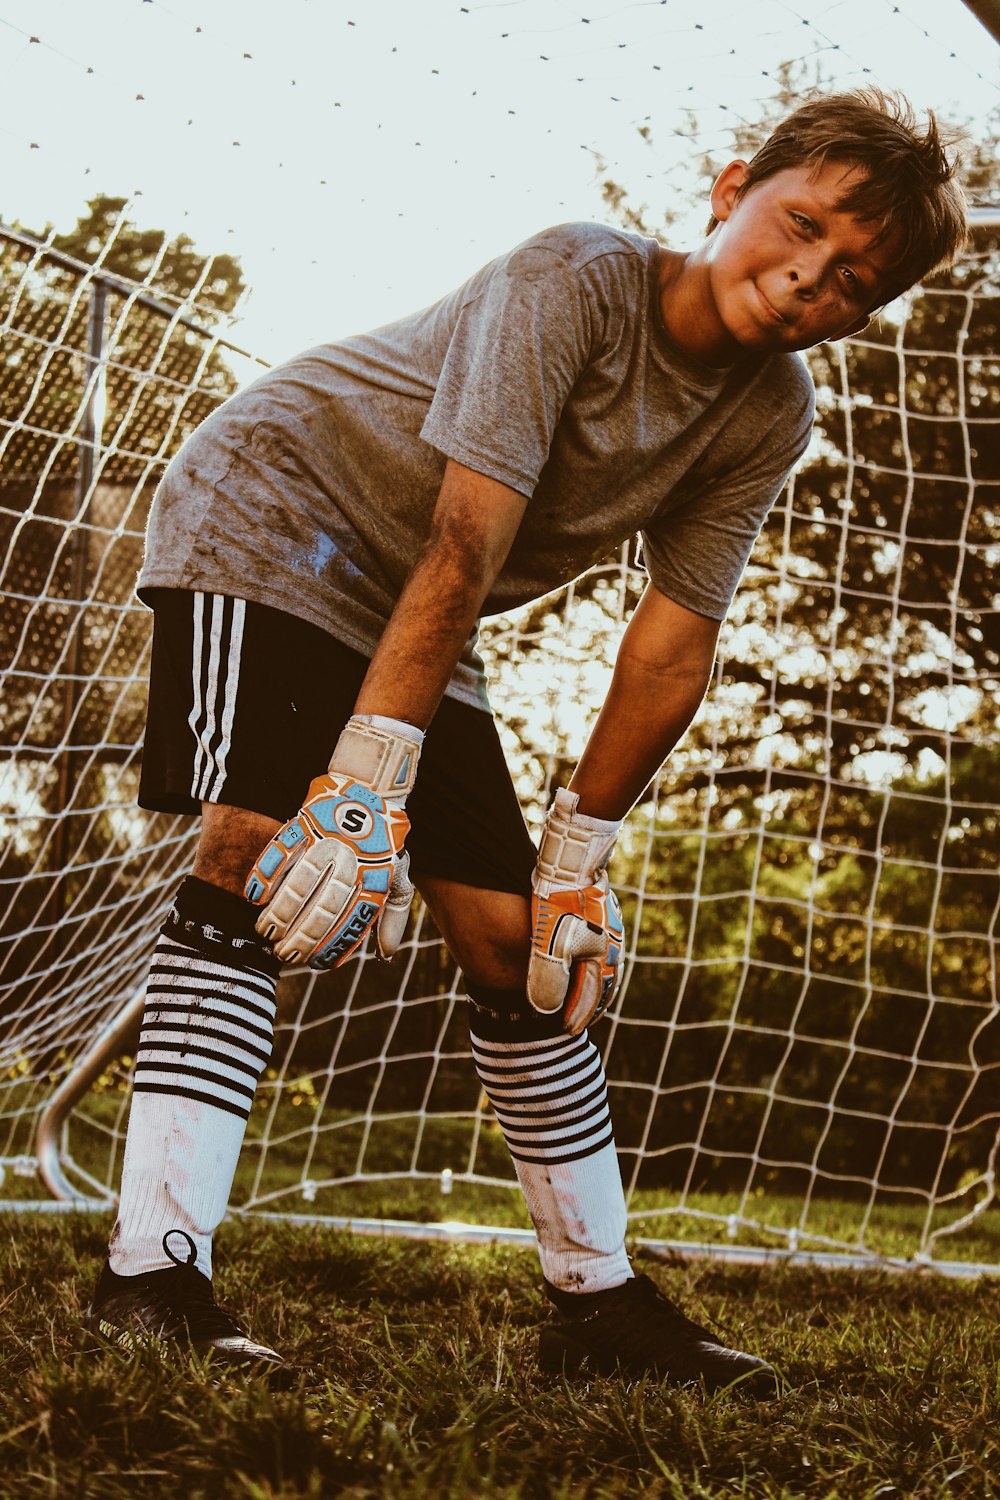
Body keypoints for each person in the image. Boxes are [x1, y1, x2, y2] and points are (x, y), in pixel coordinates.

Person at [84, 88, 966, 1394]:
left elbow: (670, 644)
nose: (808, 281)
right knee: (259, 850)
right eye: (802, 227)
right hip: (277, 515)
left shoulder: (773, 413)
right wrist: (368, 774)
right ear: (732, 189)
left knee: (520, 948)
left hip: (420, 607)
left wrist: (578, 856)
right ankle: (148, 1274)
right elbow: (466, 541)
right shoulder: (575, 276)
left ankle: (596, 1310)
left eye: (856, 281)